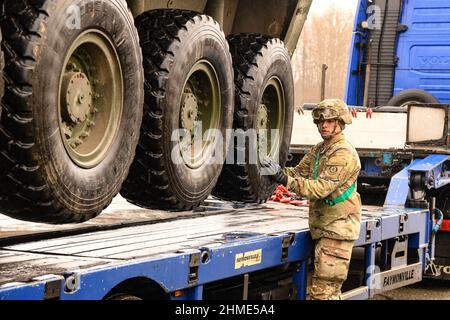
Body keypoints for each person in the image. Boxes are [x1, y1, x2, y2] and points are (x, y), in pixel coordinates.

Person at [263, 99, 362, 300]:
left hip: (337, 231)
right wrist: (273, 171)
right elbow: (299, 172)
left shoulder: (343, 153)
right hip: (325, 228)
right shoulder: (319, 150)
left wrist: (284, 179)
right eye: (320, 122)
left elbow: (321, 188)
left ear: (340, 122)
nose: (323, 125)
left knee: (323, 294)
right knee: (326, 293)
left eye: (329, 121)